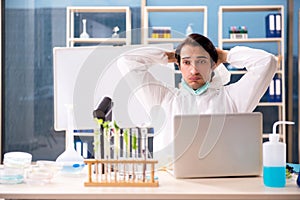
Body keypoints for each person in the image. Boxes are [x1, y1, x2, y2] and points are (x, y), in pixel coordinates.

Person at [117, 33, 277, 163]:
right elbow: (126, 61)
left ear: (213, 64)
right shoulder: (162, 98)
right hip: (170, 188)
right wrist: (171, 56)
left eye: (201, 61)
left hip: (221, 185)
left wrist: (225, 55)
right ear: (178, 66)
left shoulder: (232, 99)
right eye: (186, 63)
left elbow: (267, 62)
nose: (194, 70)